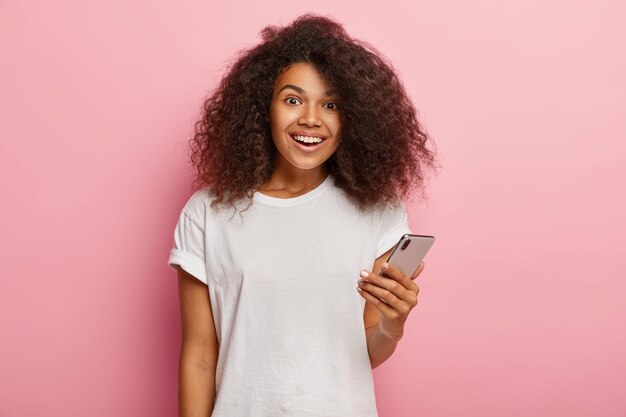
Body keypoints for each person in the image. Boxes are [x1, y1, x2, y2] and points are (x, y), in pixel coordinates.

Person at [167, 13, 439, 417]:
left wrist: (392, 325)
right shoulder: (208, 213)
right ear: (264, 108)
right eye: (292, 99)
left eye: (331, 104)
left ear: (353, 118)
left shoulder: (378, 209)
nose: (311, 118)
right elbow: (200, 356)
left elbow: (367, 351)